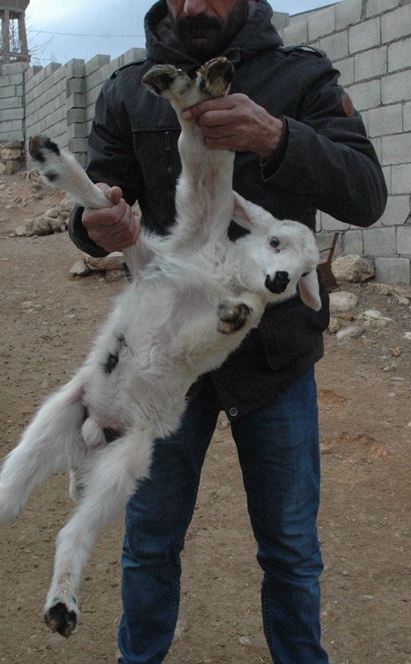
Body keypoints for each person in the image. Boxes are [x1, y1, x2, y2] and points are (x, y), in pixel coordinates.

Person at [67, 1, 387, 661]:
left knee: (292, 551)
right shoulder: (131, 89)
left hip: (275, 363)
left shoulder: (301, 80)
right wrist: (95, 222)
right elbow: (102, 197)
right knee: (149, 543)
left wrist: (276, 137)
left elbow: (365, 195)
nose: (191, 6)